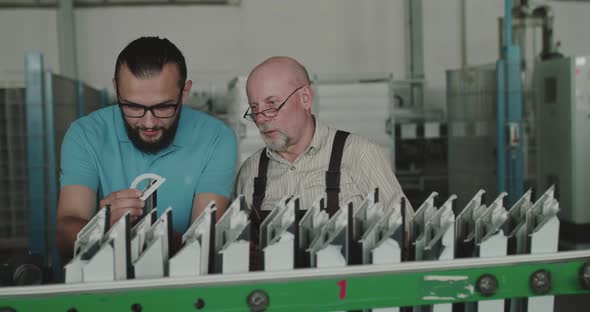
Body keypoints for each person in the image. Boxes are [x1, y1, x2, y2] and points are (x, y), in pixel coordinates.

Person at [56, 36, 237, 259]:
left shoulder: (215, 137)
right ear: (117, 89)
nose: (149, 122)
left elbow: (203, 246)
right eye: (132, 106)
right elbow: (64, 239)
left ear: (184, 92)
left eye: (163, 107)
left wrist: (141, 236)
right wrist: (100, 226)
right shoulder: (85, 135)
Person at [233, 57, 405, 269]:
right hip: (279, 298)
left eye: (272, 104)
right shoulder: (250, 172)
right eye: (255, 108)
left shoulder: (360, 155)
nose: (261, 119)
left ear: (305, 98)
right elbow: (237, 252)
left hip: (348, 296)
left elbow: (405, 234)